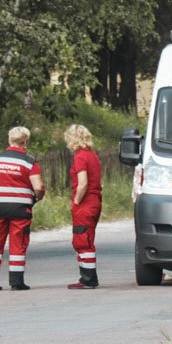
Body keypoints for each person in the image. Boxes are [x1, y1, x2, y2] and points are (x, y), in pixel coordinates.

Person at [0, 126, 45, 291]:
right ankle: (16, 282)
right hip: (20, 209)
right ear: (25, 141)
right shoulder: (29, 162)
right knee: (18, 244)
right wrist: (37, 197)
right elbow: (38, 187)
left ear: (9, 140)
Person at [64, 124, 103, 289]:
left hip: (85, 204)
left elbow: (83, 183)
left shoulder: (80, 156)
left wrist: (76, 202)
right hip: (95, 202)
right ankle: (89, 276)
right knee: (88, 238)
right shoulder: (93, 155)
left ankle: (88, 279)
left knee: (82, 241)